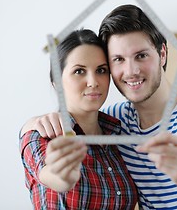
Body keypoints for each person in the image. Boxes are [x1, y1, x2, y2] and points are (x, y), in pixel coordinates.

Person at [21, 5, 177, 209]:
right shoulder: (116, 123)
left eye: (141, 56)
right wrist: (31, 125)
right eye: (118, 59)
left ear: (163, 54)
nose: (131, 71)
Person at [19, 29, 138, 209]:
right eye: (79, 71)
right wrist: (62, 176)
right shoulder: (42, 134)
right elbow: (52, 176)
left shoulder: (118, 132)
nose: (93, 82)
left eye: (101, 70)